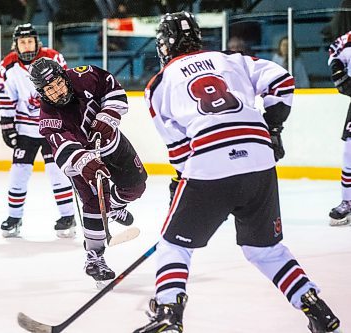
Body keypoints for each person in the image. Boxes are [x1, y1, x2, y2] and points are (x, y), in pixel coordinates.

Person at [134, 11, 341, 333]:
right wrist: (272, 129)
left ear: (167, 43)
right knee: (265, 250)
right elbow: (283, 81)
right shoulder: (232, 58)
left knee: (174, 245)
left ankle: (168, 313)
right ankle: (317, 309)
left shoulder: (159, 82)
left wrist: (181, 178)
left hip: (210, 163)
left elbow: (176, 146)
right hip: (259, 160)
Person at [29, 58, 147, 282]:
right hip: (82, 162)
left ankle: (113, 205)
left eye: (58, 84)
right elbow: (63, 147)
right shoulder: (48, 117)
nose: (57, 91)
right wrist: (85, 162)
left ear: (64, 77)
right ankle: (94, 258)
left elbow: (111, 87)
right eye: (50, 89)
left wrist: (107, 116)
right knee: (93, 204)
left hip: (114, 145)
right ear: (42, 93)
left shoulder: (85, 76)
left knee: (136, 187)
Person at [0, 23, 77, 238]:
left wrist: (69, 120)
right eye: (22, 42)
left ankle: (67, 216)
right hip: (25, 129)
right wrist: (7, 125)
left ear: (37, 42)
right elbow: (6, 97)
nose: (26, 45)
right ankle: (14, 217)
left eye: (29, 41)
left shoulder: (54, 58)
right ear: (16, 45)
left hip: (52, 127)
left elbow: (67, 88)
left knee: (57, 172)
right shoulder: (8, 65)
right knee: (18, 173)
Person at [327, 30, 351, 226]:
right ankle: (348, 202)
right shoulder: (348, 39)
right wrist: (339, 74)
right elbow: (335, 53)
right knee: (349, 156)